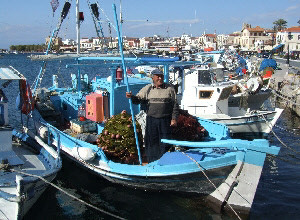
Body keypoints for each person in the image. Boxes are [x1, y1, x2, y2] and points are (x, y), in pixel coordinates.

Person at [126, 69, 179, 162]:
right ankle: (152, 161)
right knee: (151, 141)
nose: (160, 78)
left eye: (161, 76)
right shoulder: (148, 88)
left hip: (165, 120)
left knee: (165, 141)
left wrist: (174, 119)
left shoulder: (169, 88)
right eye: (157, 76)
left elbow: (175, 105)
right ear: (153, 77)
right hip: (152, 120)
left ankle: (165, 160)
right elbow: (137, 100)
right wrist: (131, 97)